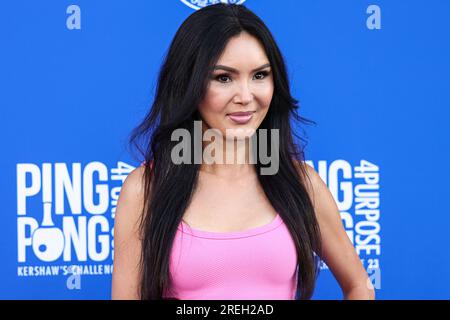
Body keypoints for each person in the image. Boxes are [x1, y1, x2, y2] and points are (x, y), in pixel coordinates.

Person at [111, 3, 375, 300]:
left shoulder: (302, 184)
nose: (246, 97)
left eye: (260, 75)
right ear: (189, 84)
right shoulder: (145, 190)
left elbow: (359, 285)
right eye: (224, 78)